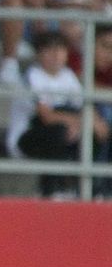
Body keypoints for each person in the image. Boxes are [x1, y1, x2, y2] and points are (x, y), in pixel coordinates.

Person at [9, 29, 110, 198]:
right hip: (27, 137)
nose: (56, 55)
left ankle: (94, 189)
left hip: (65, 130)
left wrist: (96, 122)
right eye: (50, 50)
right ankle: (50, 189)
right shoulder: (32, 76)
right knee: (60, 132)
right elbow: (46, 116)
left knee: (99, 129)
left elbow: (83, 106)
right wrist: (80, 122)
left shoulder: (68, 76)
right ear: (39, 53)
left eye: (60, 50)